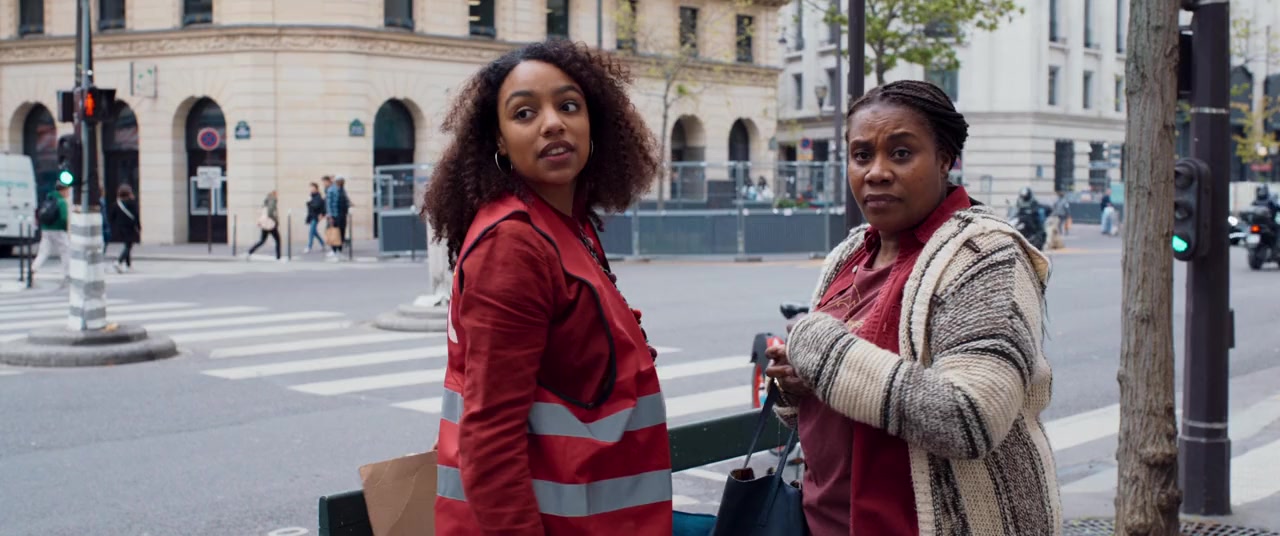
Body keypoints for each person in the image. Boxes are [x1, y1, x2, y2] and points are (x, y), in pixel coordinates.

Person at [764, 80, 1061, 536]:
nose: (876, 172)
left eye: (901, 153)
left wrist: (814, 345)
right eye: (862, 155)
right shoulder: (847, 255)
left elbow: (971, 417)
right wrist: (797, 385)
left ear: (945, 159)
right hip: (825, 522)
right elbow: (834, 389)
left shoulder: (983, 254)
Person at [424, 40, 670, 535]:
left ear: (594, 123)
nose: (553, 123)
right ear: (499, 140)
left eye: (569, 106)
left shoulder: (562, 224)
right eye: (524, 113)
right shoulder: (513, 244)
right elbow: (490, 439)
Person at [32, 183, 72, 284]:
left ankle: (33, 268)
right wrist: (66, 229)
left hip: (46, 229)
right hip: (58, 230)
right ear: (63, 191)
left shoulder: (49, 199)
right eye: (67, 191)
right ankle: (67, 273)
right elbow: (64, 218)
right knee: (65, 251)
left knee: (43, 251)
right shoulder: (62, 202)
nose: (68, 193)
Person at [110, 184, 141, 273]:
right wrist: (138, 226)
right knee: (128, 246)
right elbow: (136, 216)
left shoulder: (116, 204)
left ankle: (128, 265)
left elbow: (112, 217)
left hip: (120, 228)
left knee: (127, 245)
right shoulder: (132, 203)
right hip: (130, 228)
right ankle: (118, 261)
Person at [247, 190, 281, 260]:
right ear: (274, 194)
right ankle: (278, 257)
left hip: (265, 224)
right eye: (276, 194)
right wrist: (275, 220)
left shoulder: (266, 201)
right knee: (277, 240)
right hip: (270, 224)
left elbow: (263, 213)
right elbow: (270, 212)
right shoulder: (273, 200)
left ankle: (250, 251)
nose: (277, 196)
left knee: (262, 240)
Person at [326, 176, 349, 258]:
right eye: (340, 181)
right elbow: (329, 203)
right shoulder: (331, 190)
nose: (342, 182)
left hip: (343, 214)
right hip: (335, 215)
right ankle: (334, 250)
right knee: (335, 232)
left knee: (342, 232)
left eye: (343, 181)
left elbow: (346, 200)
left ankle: (339, 250)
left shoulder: (343, 190)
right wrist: (330, 215)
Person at [304, 181, 327, 254]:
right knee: (314, 232)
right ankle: (323, 244)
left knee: (311, 232)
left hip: (316, 216)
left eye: (313, 187)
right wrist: (309, 202)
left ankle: (309, 247)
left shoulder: (318, 196)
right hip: (312, 216)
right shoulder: (312, 196)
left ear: (316, 188)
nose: (311, 189)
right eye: (311, 187)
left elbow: (316, 206)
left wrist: (309, 203)